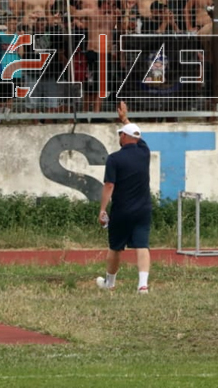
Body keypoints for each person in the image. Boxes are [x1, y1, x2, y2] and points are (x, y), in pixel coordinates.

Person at [96, 102, 153, 294]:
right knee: (142, 245)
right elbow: (139, 137)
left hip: (122, 210)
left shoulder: (114, 159)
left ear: (125, 137)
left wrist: (102, 209)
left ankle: (110, 282)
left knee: (116, 247)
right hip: (143, 209)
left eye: (121, 133)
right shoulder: (145, 152)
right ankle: (142, 285)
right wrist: (125, 119)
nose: (119, 136)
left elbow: (109, 185)